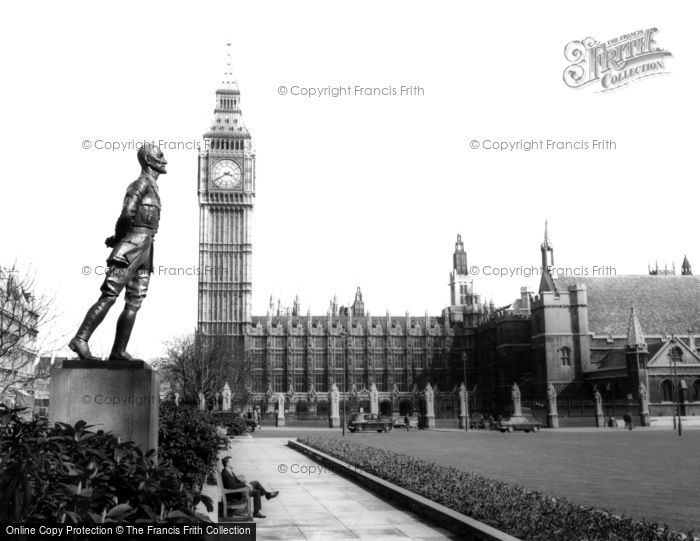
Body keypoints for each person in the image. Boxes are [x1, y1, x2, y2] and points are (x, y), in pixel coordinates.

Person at [69, 143, 167, 361]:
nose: (165, 160)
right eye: (160, 156)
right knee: (110, 294)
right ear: (149, 160)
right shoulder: (139, 184)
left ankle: (118, 351)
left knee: (135, 301)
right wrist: (117, 239)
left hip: (147, 249)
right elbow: (127, 214)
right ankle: (80, 339)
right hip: (131, 247)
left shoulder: (154, 187)